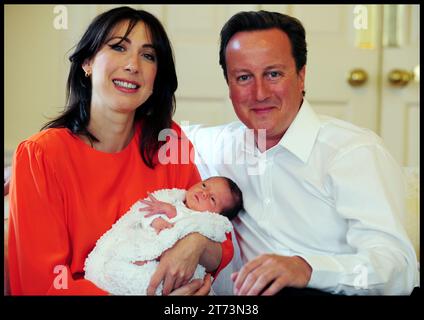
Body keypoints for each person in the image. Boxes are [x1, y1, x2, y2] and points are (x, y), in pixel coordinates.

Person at [185, 10, 419, 295]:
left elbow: (397, 271)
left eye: (273, 74)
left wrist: (308, 269)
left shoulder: (352, 152)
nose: (259, 93)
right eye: (244, 77)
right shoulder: (212, 145)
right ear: (229, 86)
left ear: (301, 75)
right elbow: (132, 130)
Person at [6, 6, 233, 295]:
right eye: (118, 47)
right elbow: (42, 286)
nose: (133, 65)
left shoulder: (167, 141)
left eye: (148, 56)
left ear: (155, 78)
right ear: (87, 62)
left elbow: (219, 240)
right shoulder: (40, 156)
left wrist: (196, 243)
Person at [84, 176, 243, 295]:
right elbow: (145, 215)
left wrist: (192, 242)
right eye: (204, 185)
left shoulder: (203, 221)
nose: (204, 193)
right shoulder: (172, 201)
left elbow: (220, 243)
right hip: (147, 243)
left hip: (170, 270)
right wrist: (157, 220)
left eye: (213, 199)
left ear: (217, 216)